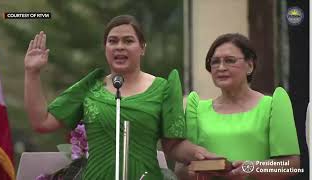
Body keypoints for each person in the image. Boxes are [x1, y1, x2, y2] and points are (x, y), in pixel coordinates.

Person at [24, 15, 216, 180]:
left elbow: (174, 146)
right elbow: (42, 122)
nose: (119, 47)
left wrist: (201, 155)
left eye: (128, 41)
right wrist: (32, 73)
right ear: (105, 47)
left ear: (142, 48)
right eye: (113, 41)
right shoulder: (91, 86)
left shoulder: (163, 88)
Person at [177, 33, 300, 180]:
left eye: (230, 60)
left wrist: (250, 168)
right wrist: (193, 172)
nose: (221, 67)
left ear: (250, 66)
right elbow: (180, 170)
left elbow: (291, 165)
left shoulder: (272, 105)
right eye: (215, 62)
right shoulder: (196, 110)